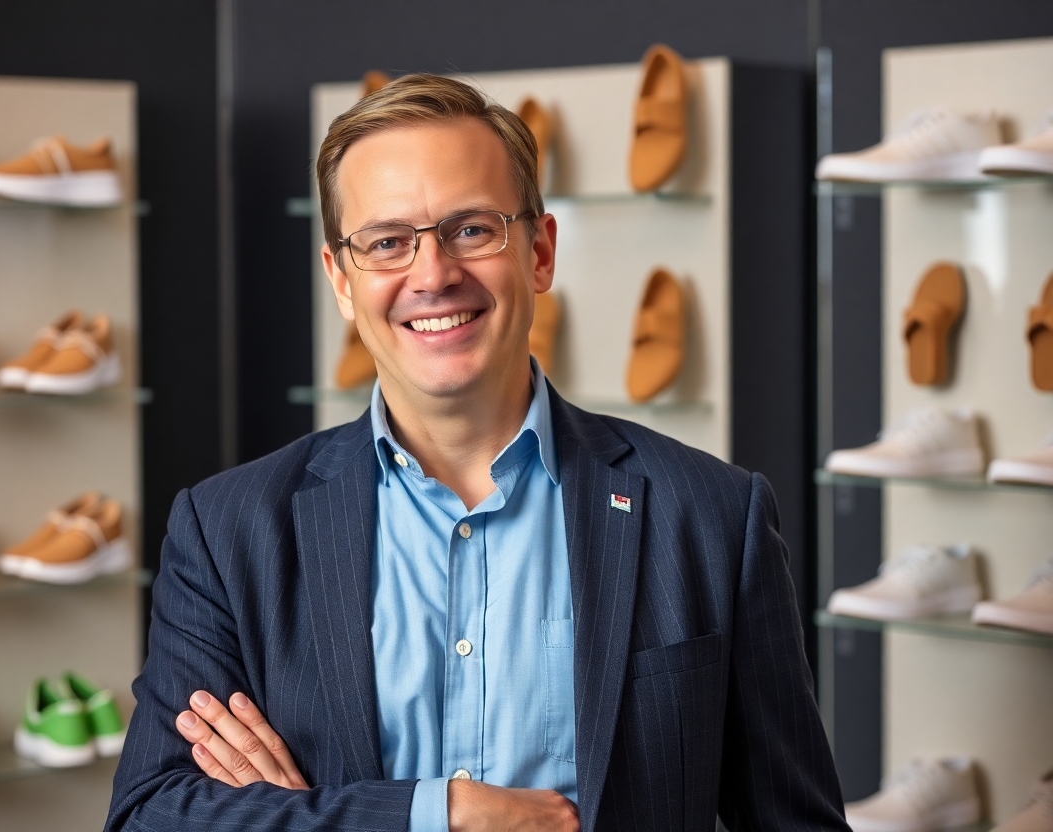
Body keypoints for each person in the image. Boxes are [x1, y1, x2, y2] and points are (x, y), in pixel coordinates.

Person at [106, 73, 849, 832]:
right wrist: (439, 814)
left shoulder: (712, 515)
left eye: (472, 230)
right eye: (388, 242)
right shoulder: (228, 531)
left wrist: (295, 816)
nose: (433, 275)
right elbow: (149, 816)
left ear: (540, 252)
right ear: (340, 280)